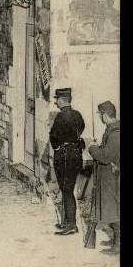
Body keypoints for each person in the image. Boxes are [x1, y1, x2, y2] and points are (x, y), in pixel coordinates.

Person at [49, 87, 86, 235]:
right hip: (76, 155)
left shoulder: (61, 117)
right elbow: (82, 128)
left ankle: (71, 225)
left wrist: (58, 146)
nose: (56, 102)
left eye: (57, 99)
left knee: (67, 190)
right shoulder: (77, 114)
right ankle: (66, 222)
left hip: (64, 157)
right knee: (67, 189)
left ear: (62, 100)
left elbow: (54, 137)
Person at [88, 101, 120, 254]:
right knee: (111, 209)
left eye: (100, 115)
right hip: (109, 177)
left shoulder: (115, 133)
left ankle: (118, 245)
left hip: (113, 179)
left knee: (115, 210)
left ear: (105, 115)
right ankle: (115, 240)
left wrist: (92, 148)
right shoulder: (111, 129)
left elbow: (106, 157)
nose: (100, 117)